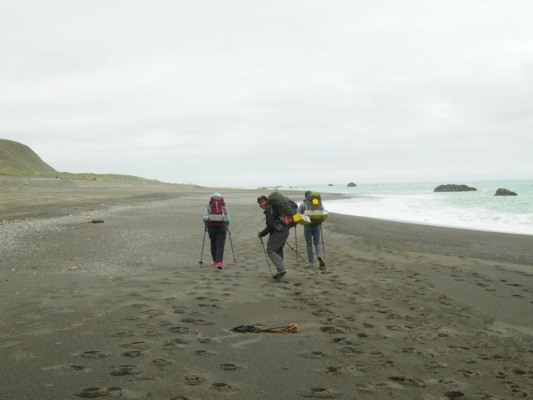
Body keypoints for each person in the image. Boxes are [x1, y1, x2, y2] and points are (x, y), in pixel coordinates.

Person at [257, 195, 290, 279]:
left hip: (279, 232)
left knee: (270, 250)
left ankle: (281, 269)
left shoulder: (269, 209)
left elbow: (270, 225)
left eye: (262, 202)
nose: (261, 205)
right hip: (285, 230)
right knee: (278, 250)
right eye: (259, 204)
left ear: (267, 201)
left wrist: (262, 234)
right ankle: (280, 271)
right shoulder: (274, 207)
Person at [297, 191, 326, 267]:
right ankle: (319, 255)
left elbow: (298, 214)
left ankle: (311, 262)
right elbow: (322, 212)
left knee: (309, 244)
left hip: (307, 225)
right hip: (317, 225)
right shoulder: (318, 203)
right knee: (317, 243)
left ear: (305, 196)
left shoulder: (303, 204)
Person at [203, 192, 230, 269]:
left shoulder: (208, 207)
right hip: (222, 227)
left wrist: (205, 227)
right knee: (220, 244)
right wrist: (226, 225)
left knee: (213, 243)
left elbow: (205, 218)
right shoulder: (224, 207)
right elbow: (228, 219)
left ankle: (214, 261)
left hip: (211, 227)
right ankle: (219, 262)